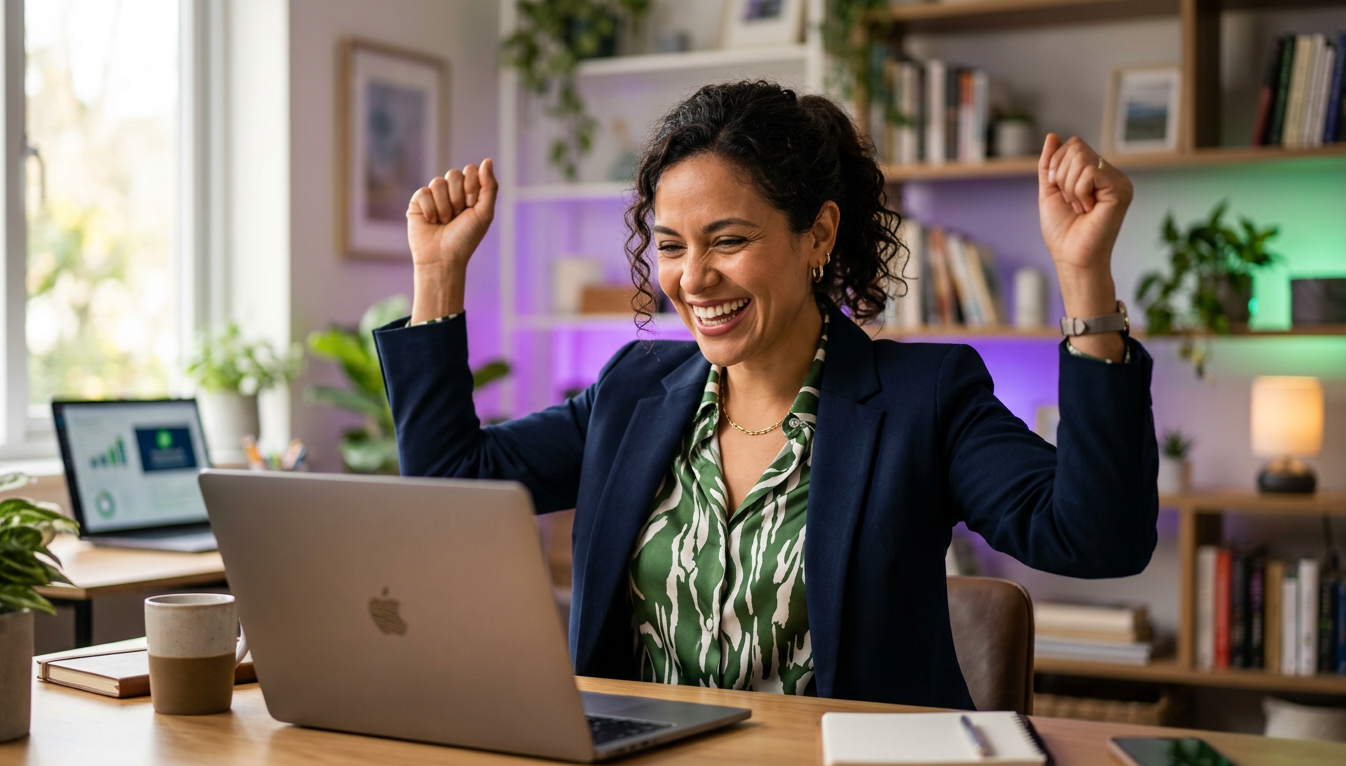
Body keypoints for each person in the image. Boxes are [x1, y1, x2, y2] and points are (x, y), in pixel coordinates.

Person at [375, 81, 1158, 709]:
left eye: (729, 240)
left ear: (817, 235)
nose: (692, 278)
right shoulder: (632, 389)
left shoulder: (926, 398)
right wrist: (438, 275)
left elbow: (1096, 538)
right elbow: (453, 482)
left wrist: (1085, 281)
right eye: (672, 245)